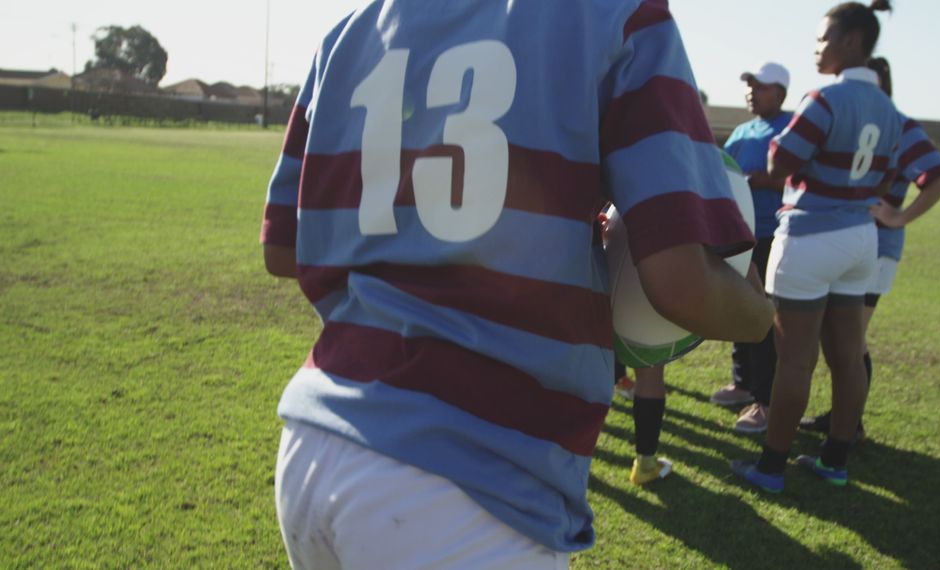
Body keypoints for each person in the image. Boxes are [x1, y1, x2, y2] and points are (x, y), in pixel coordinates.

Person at [261, 1, 774, 567]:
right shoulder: (614, 13)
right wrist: (758, 313)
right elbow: (682, 284)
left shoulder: (347, 30)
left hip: (315, 435)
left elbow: (282, 248)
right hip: (469, 477)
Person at [730, 0, 901, 493]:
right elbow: (891, 172)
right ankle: (835, 460)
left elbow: (781, 161)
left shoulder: (822, 99)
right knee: (848, 357)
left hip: (809, 237)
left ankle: (771, 467)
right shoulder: (891, 109)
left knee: (796, 360)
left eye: (823, 39)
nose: (817, 48)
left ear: (850, 43)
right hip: (860, 239)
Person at [799, 56, 940, 438]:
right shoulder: (843, 117)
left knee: (850, 340)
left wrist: (898, 216)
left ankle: (849, 426)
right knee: (839, 338)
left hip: (875, 245)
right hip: (844, 240)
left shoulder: (897, 124)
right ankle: (843, 420)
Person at [710, 62, 793, 434]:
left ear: (780, 93)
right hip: (737, 235)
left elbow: (795, 177)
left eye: (759, 87)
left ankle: (765, 399)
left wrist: (759, 181)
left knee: (766, 317)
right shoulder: (743, 130)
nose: (751, 92)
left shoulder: (792, 128)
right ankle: (743, 382)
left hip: (772, 235)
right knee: (736, 310)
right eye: (749, 86)